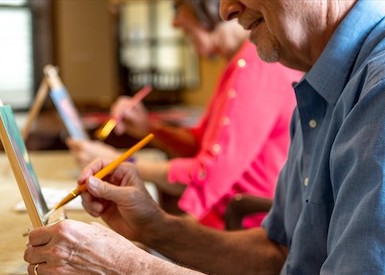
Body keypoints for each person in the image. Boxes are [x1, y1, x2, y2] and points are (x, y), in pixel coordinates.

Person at [24, 0, 385, 275]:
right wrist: (155, 228)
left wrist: (131, 272)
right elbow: (279, 255)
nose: (224, 8)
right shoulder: (322, 78)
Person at [67, 0, 301, 230]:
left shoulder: (256, 67)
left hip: (242, 229)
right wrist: (149, 127)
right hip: (226, 220)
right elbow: (201, 145)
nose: (175, 22)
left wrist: (119, 162)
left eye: (178, 6)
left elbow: (206, 172)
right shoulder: (240, 62)